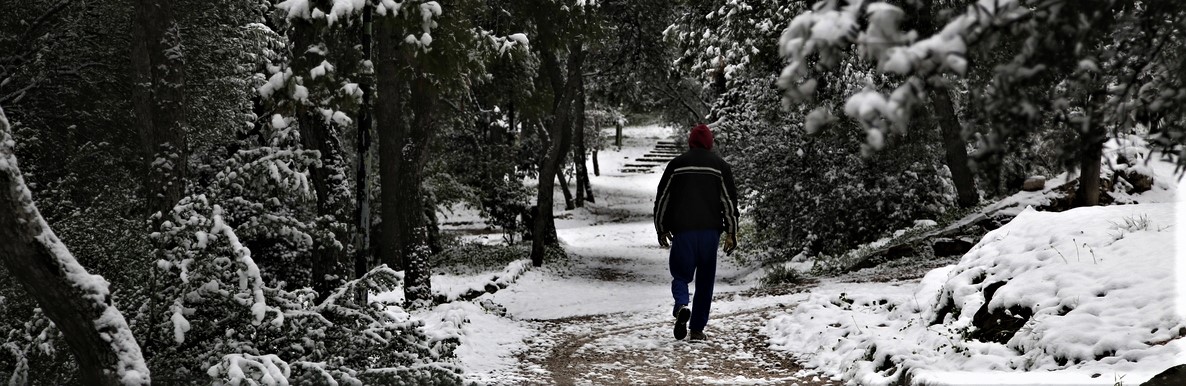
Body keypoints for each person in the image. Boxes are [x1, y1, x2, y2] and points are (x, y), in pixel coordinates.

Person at [653, 123, 739, 341]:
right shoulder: (720, 167)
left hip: (684, 232)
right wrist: (731, 231)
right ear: (710, 142)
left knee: (681, 275)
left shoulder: (677, 165)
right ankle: (697, 329)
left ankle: (682, 304)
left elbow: (663, 198)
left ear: (690, 141)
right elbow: (729, 202)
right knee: (705, 281)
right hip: (710, 233)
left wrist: (661, 228)